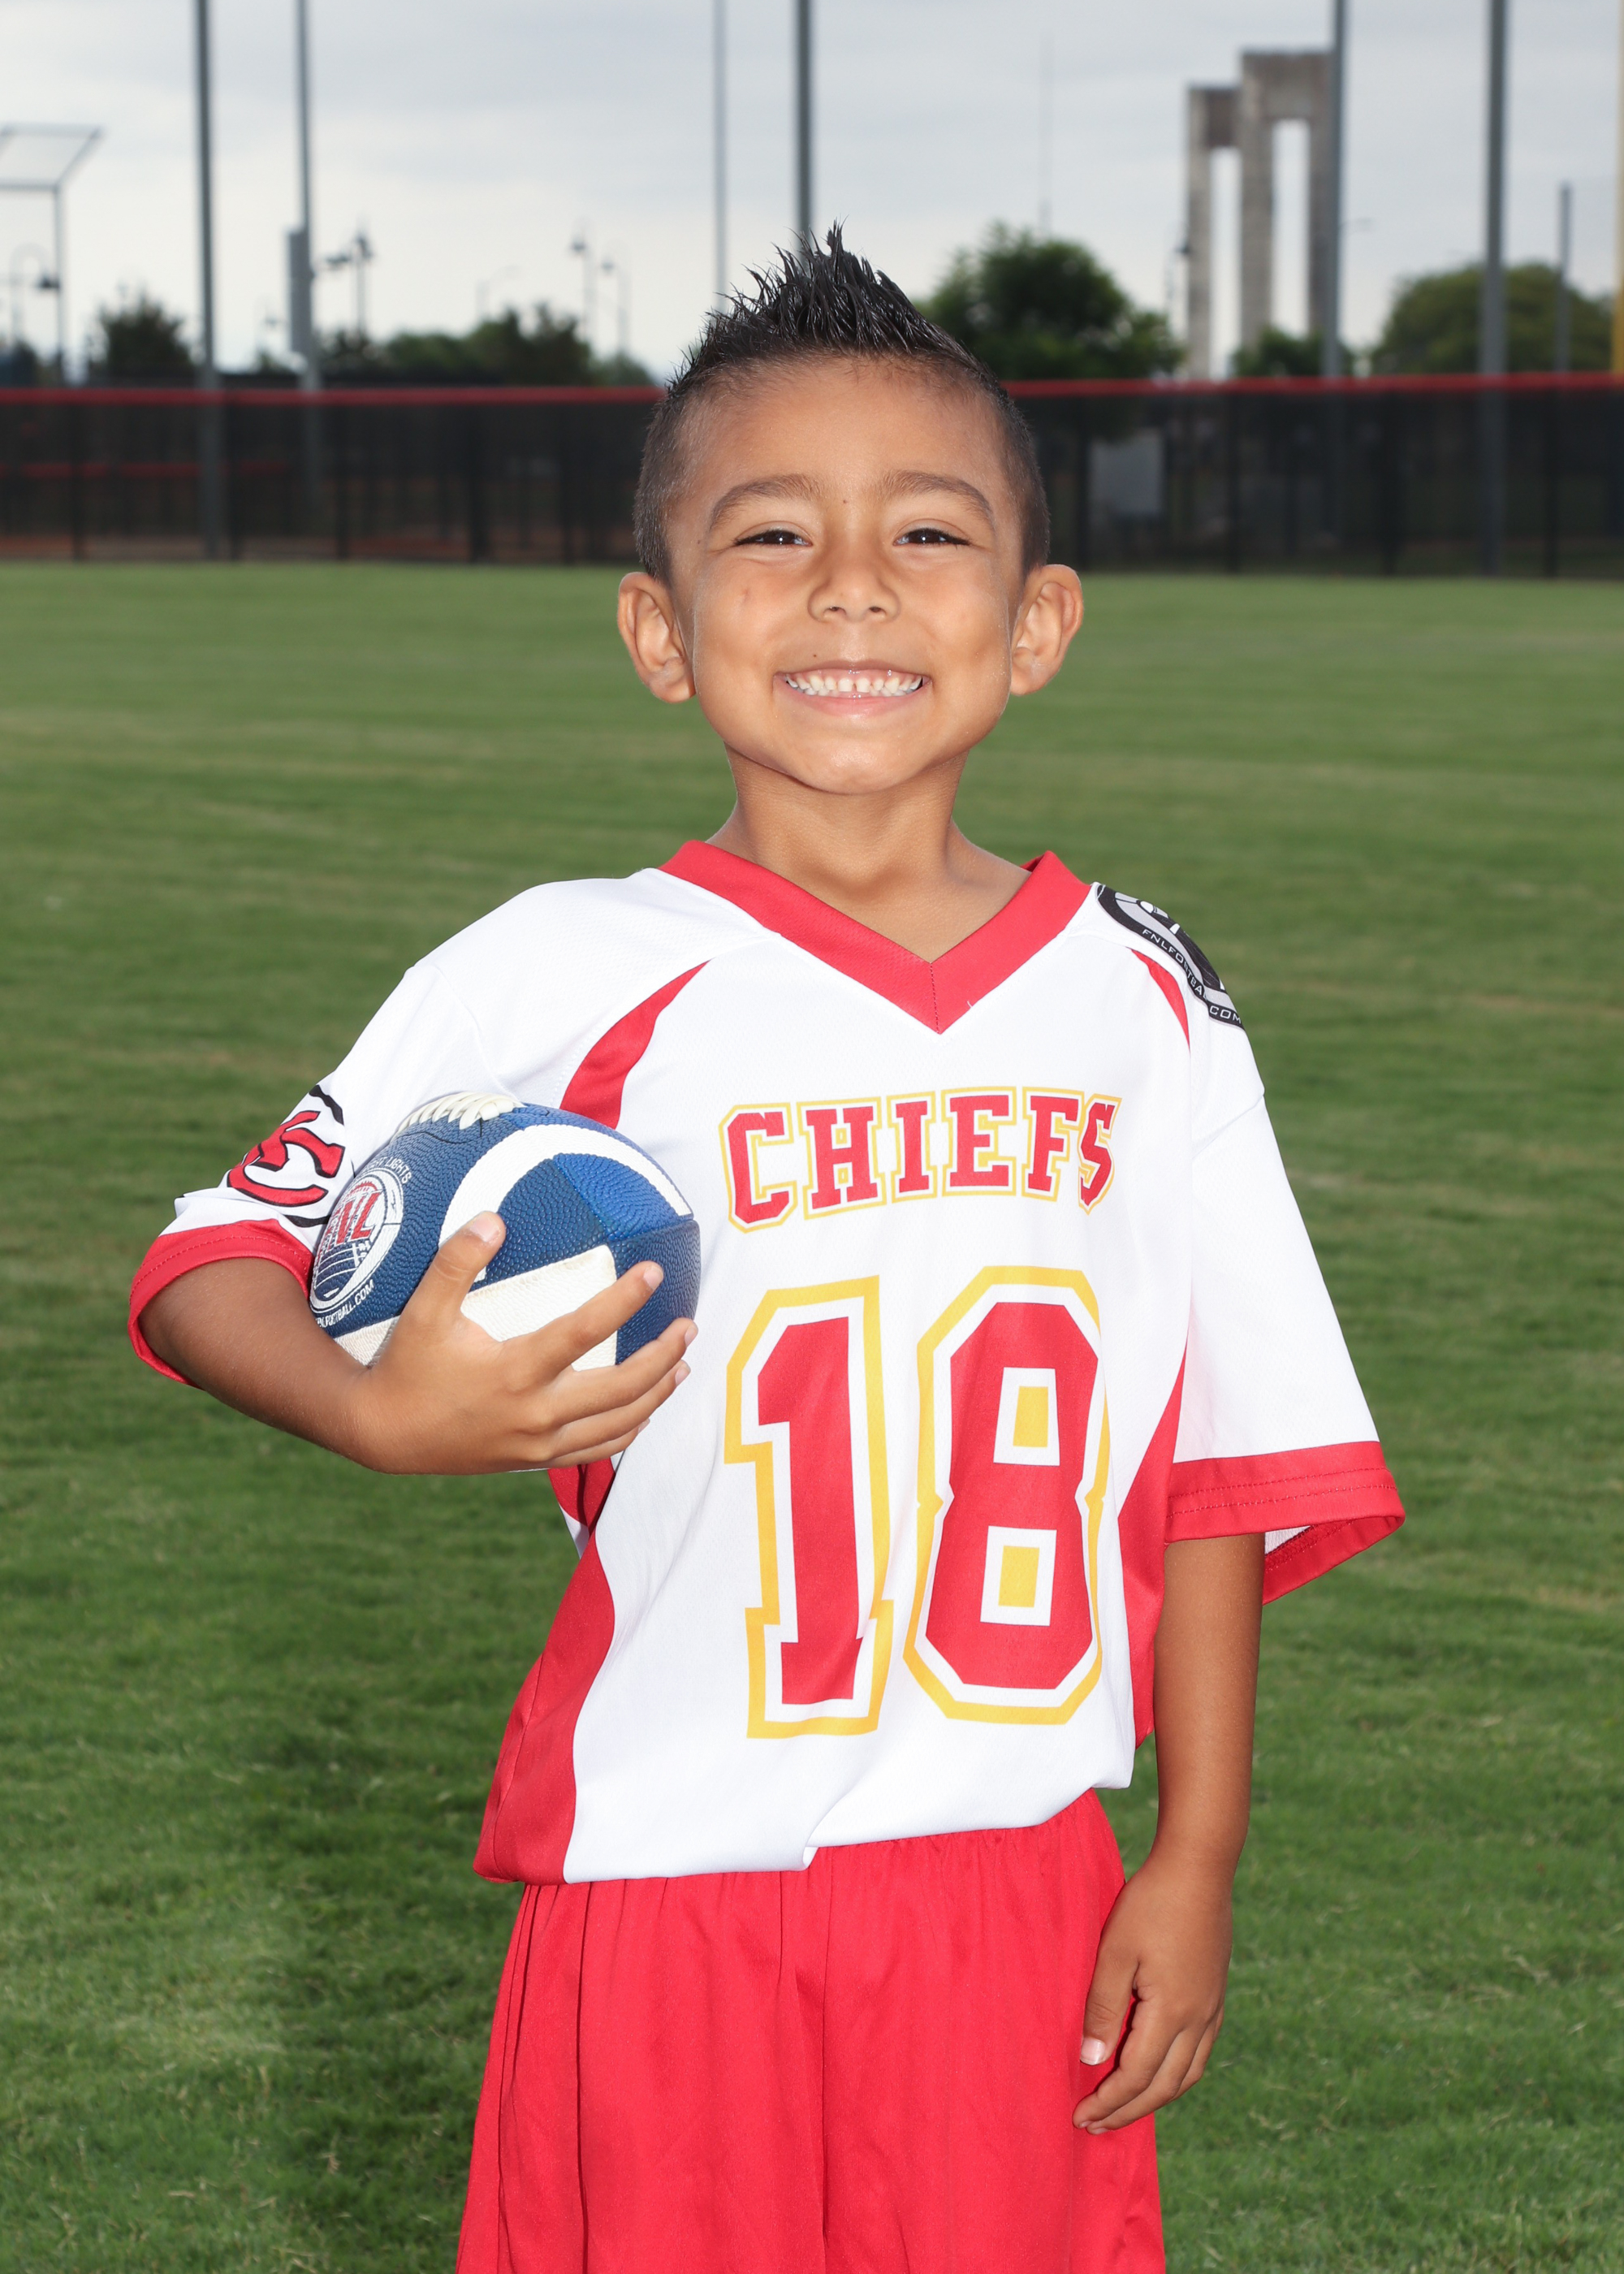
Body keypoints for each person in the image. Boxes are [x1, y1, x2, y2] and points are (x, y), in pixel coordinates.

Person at [129, 233, 1403, 2274]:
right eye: (772, 534)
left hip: (1013, 1888)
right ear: (659, 627)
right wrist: (381, 1412)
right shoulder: (558, 969)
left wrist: (1201, 1849)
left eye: (928, 530)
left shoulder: (1143, 998)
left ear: (1038, 618)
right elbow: (210, 1256)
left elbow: (1220, 1465)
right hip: (658, 1885)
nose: (852, 587)